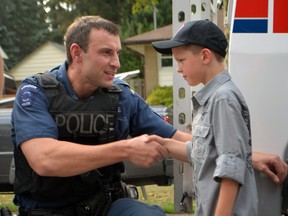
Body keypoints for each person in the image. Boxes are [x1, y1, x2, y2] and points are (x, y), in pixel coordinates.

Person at [11, 15, 191, 216]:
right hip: (46, 210)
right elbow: (44, 160)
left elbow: (178, 140)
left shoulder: (121, 96)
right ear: (77, 53)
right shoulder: (35, 92)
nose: (116, 63)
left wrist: (222, 150)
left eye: (117, 53)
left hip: (104, 206)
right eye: (106, 53)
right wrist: (125, 149)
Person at [151, 19, 258, 215]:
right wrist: (163, 145)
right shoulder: (212, 98)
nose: (178, 69)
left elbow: (231, 166)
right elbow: (205, 151)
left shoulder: (222, 99)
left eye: (181, 61)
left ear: (205, 56)